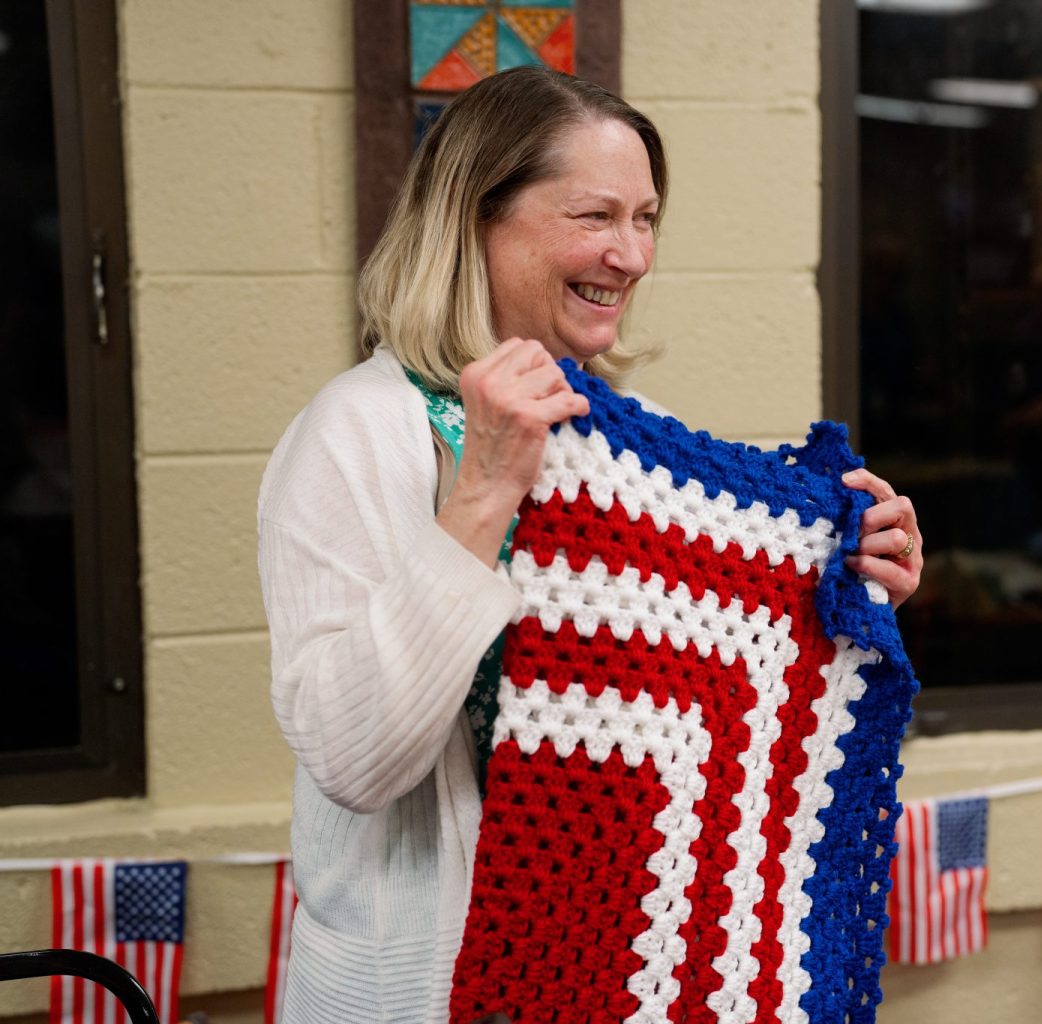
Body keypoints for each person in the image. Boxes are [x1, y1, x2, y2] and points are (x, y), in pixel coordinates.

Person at [257, 66, 924, 1023]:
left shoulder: (628, 442)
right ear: (476, 215)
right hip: (413, 992)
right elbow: (352, 761)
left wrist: (842, 589)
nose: (633, 254)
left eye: (647, 218)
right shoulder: (355, 432)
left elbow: (709, 696)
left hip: (608, 985)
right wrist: (484, 490)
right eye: (597, 215)